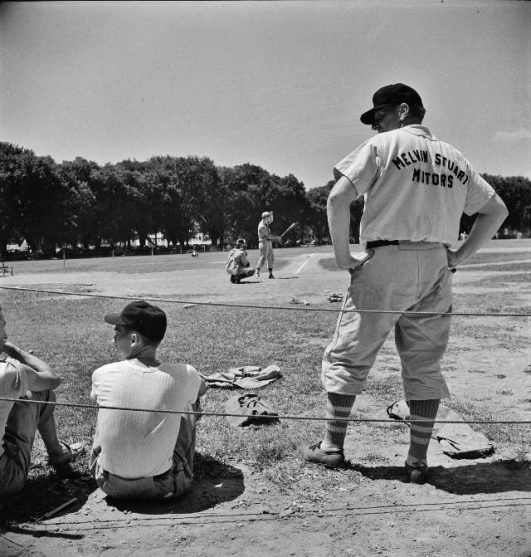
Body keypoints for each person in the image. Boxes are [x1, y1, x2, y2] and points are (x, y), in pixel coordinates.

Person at [303, 83, 508, 483]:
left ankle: (332, 447)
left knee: (349, 355)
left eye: (377, 117)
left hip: (386, 258)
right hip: (435, 263)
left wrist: (345, 258)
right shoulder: (454, 155)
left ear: (401, 110)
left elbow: (337, 199)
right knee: (424, 363)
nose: (374, 127)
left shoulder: (385, 146)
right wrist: (459, 257)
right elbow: (495, 209)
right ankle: (417, 460)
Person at [90, 300, 207, 500]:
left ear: (134, 339)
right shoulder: (185, 373)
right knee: (190, 404)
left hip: (108, 484)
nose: (114, 339)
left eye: (118, 333)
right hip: (163, 488)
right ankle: (166, 462)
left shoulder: (103, 373)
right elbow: (202, 389)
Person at [0, 306, 84, 500]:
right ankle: (57, 454)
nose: (6, 333)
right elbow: (52, 379)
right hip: (5, 480)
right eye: (3, 326)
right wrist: (15, 352)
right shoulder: (8, 373)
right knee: (41, 394)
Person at [255, 211, 282, 279]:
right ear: (265, 217)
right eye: (268, 217)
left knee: (270, 258)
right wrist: (277, 237)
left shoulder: (266, 222)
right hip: (263, 243)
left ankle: (270, 274)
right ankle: (257, 271)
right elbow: (268, 236)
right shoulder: (262, 226)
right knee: (263, 258)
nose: (269, 218)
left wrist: (271, 214)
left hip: (268, 243)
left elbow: (271, 220)